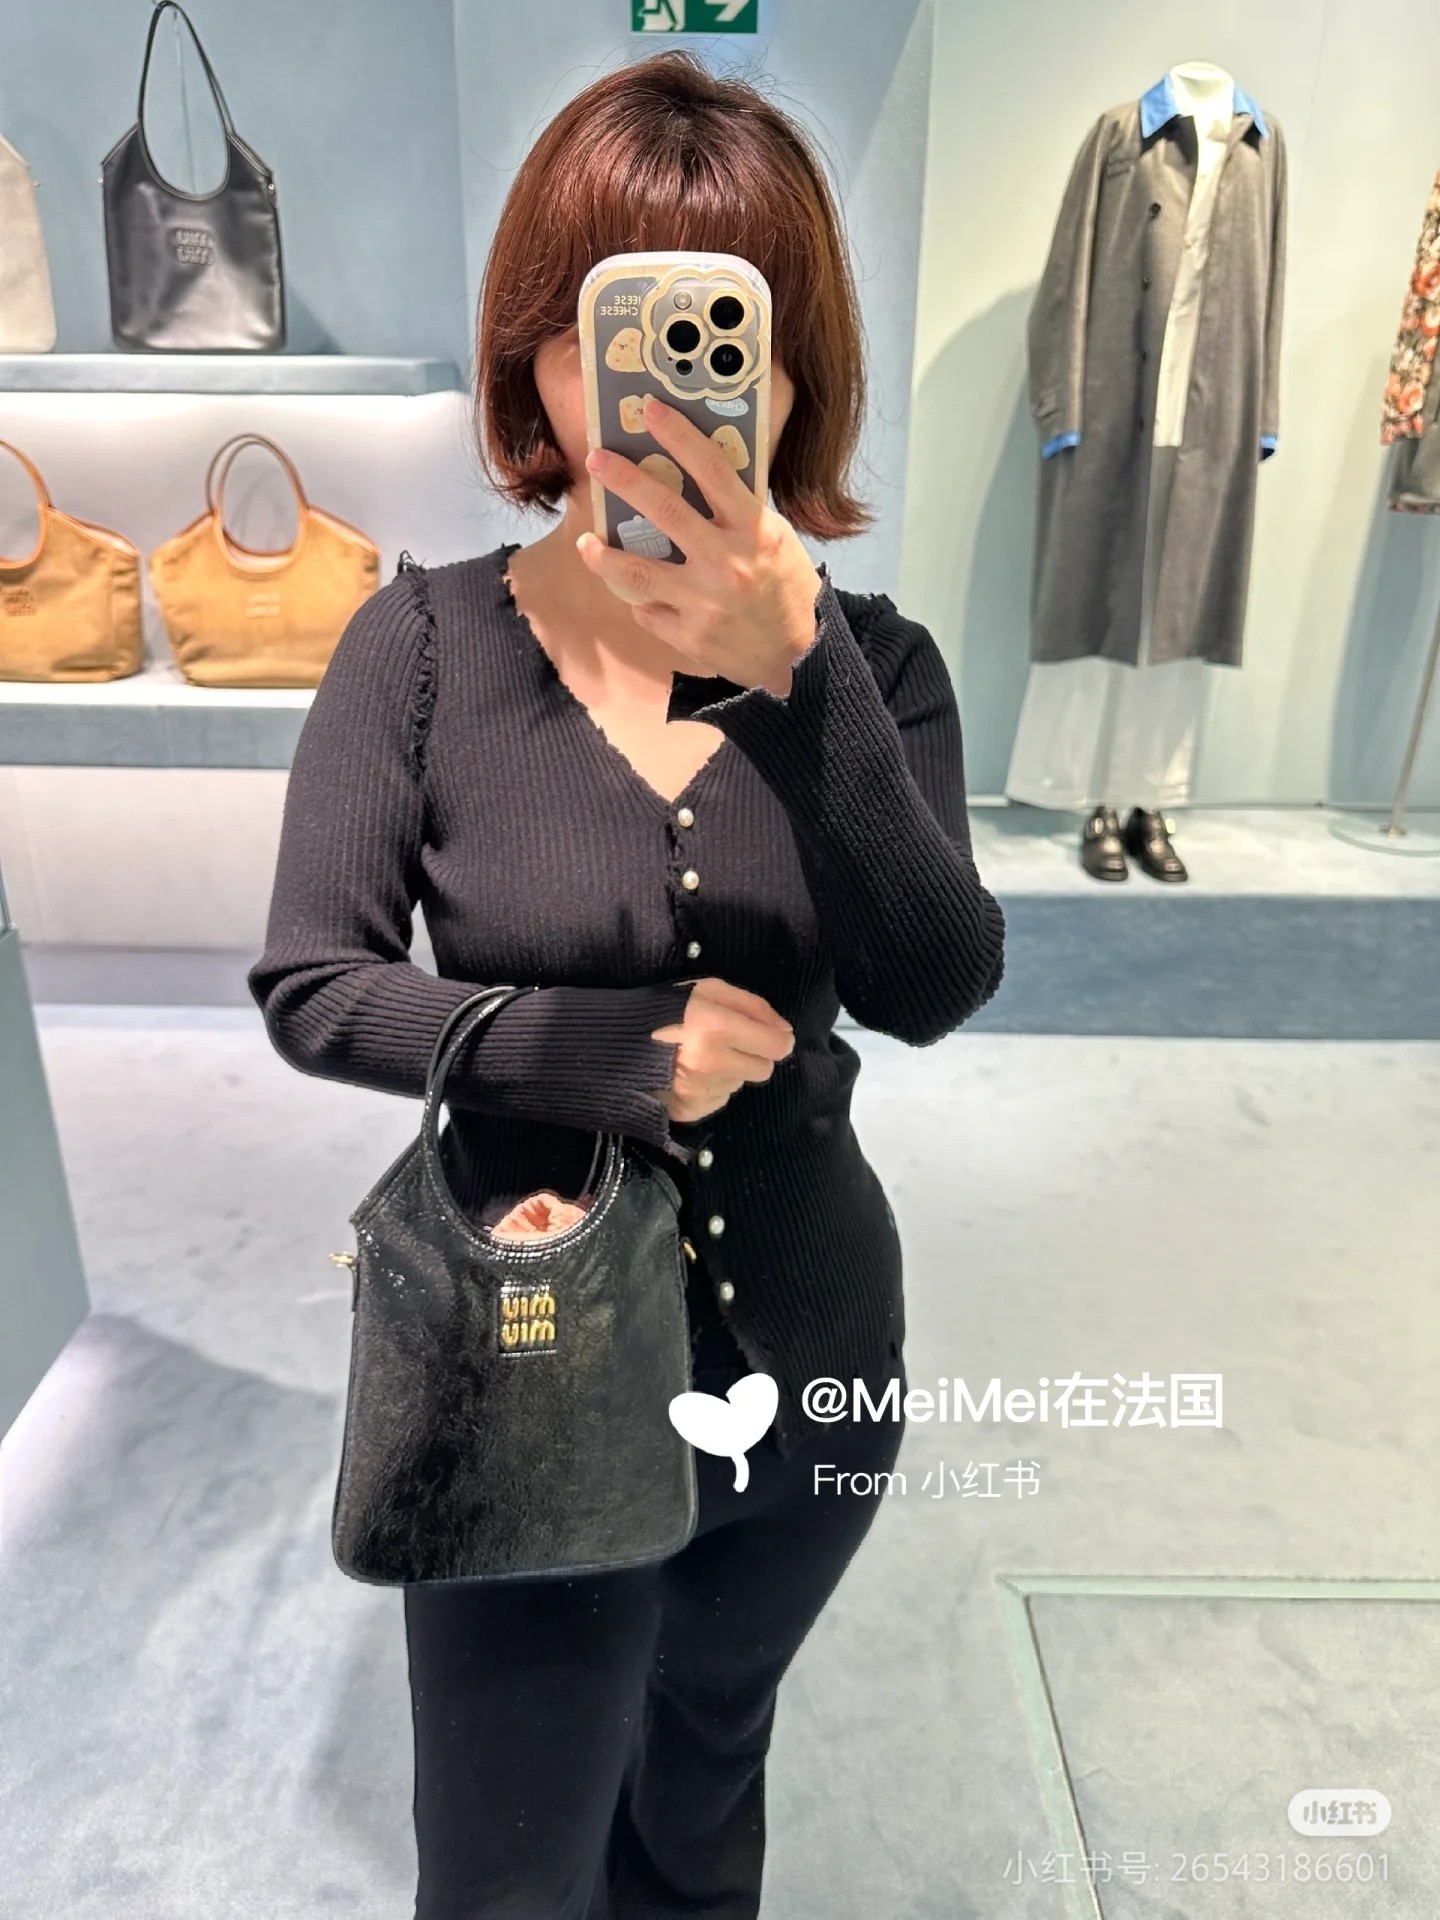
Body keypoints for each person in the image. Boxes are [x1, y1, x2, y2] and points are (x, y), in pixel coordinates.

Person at [247, 48, 1005, 1920]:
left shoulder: (881, 667)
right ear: (536, 363)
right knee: (509, 1864)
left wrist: (801, 681)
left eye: (720, 340)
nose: (659, 400)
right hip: (522, 1371)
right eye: (611, 339)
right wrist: (601, 1050)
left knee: (705, 1783)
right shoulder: (420, 648)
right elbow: (314, 982)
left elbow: (934, 983)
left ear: (792, 376)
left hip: (814, 1363)